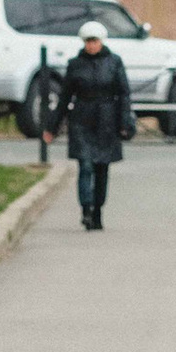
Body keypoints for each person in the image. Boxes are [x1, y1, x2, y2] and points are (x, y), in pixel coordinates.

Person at [43, 20, 136, 230]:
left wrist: (124, 122)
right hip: (82, 119)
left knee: (102, 167)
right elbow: (65, 97)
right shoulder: (75, 65)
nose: (91, 45)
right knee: (85, 165)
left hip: (107, 120)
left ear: (101, 41)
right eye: (87, 41)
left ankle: (98, 211)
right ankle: (85, 208)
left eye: (94, 41)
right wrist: (52, 127)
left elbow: (124, 94)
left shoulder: (114, 62)